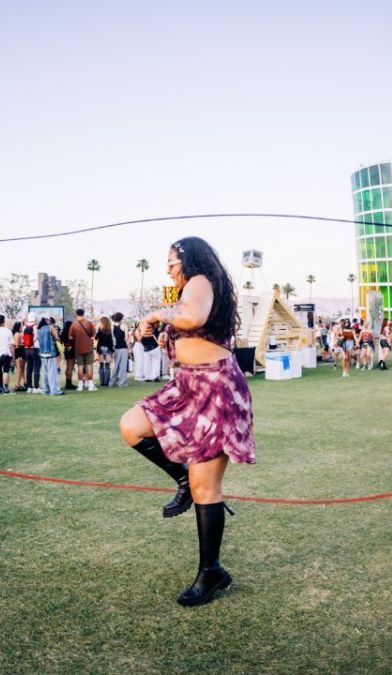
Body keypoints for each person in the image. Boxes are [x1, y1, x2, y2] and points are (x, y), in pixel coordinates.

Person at [119, 237, 254, 607]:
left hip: (215, 388)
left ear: (189, 259)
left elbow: (192, 318)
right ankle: (180, 478)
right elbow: (182, 324)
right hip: (186, 384)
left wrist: (156, 315)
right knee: (132, 425)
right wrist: (144, 329)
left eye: (172, 261)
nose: (168, 268)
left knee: (205, 487)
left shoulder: (199, 281)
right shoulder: (189, 291)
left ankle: (211, 572)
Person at [69, 309, 97, 391]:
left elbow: (70, 337)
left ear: (76, 314)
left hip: (78, 347)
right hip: (88, 347)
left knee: (80, 366)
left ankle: (80, 385)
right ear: (83, 314)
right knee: (89, 366)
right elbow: (93, 334)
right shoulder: (89, 323)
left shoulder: (74, 324)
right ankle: (90, 385)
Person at [36, 317, 63, 395]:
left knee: (44, 373)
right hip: (50, 352)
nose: (49, 321)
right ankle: (54, 390)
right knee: (52, 372)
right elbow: (57, 338)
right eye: (48, 320)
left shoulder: (39, 329)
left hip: (42, 353)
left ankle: (45, 389)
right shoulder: (50, 327)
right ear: (46, 320)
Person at [110, 312, 129, 388]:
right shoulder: (124, 326)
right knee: (123, 366)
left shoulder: (112, 326)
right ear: (121, 318)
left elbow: (112, 338)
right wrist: (129, 348)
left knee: (115, 366)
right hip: (123, 347)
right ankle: (122, 383)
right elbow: (126, 338)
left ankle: (111, 382)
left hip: (116, 348)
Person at [96, 316, 114, 386]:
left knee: (101, 364)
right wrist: (112, 350)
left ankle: (102, 381)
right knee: (107, 365)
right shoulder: (110, 331)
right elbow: (111, 341)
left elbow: (96, 337)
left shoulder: (100, 330)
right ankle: (106, 381)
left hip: (100, 348)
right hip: (108, 348)